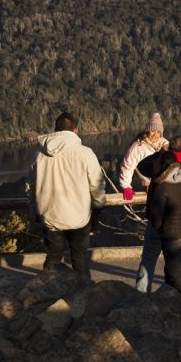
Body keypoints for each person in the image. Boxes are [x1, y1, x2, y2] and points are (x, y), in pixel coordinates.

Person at [28, 112, 107, 279]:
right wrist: (98, 206)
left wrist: (34, 211)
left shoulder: (39, 155)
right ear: (75, 131)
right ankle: (84, 294)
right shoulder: (85, 153)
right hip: (80, 216)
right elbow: (97, 185)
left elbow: (30, 188)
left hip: (50, 216)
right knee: (79, 258)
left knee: (53, 259)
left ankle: (45, 294)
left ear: (55, 130)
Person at [134, 135, 181, 292]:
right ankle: (179, 299)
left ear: (169, 150)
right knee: (179, 262)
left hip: (159, 225)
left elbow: (141, 166)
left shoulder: (160, 164)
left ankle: (141, 295)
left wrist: (160, 153)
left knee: (148, 259)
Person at [144, 149, 181, 294]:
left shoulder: (162, 187)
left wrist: (159, 228)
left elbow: (156, 214)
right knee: (173, 271)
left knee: (176, 277)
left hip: (171, 236)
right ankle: (172, 306)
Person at [118, 112, 168, 200]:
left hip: (163, 183)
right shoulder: (138, 147)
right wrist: (126, 186)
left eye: (158, 132)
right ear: (147, 131)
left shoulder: (164, 143)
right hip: (147, 184)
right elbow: (127, 166)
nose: (155, 135)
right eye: (152, 131)